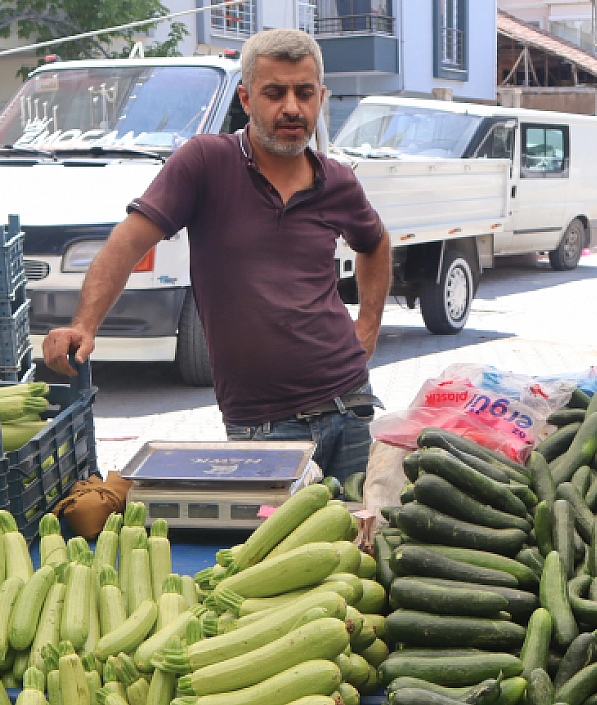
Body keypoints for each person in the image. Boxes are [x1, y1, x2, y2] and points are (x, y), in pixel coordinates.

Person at [42, 29, 392, 480]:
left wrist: (368, 325)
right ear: (245, 99)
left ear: (321, 98)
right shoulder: (205, 163)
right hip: (264, 428)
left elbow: (375, 243)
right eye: (274, 93)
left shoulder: (337, 181)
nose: (291, 107)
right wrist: (83, 325)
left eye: (304, 93)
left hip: (352, 407)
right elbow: (125, 246)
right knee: (277, 550)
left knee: (360, 540)